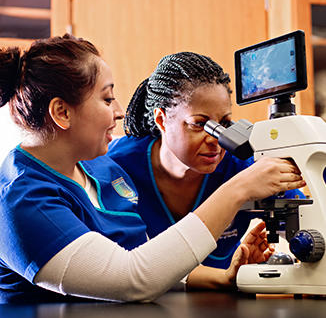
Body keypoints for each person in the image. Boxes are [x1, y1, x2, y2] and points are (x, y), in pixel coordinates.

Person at [0, 36, 305, 304]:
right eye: (107, 98)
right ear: (62, 112)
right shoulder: (20, 203)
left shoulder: (102, 168)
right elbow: (130, 278)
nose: (119, 111)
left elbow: (143, 256)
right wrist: (239, 189)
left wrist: (222, 278)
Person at [108, 51, 305, 270]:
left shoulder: (242, 164)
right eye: (199, 124)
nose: (216, 139)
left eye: (225, 123)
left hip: (226, 298)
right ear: (162, 119)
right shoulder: (117, 165)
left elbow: (305, 217)